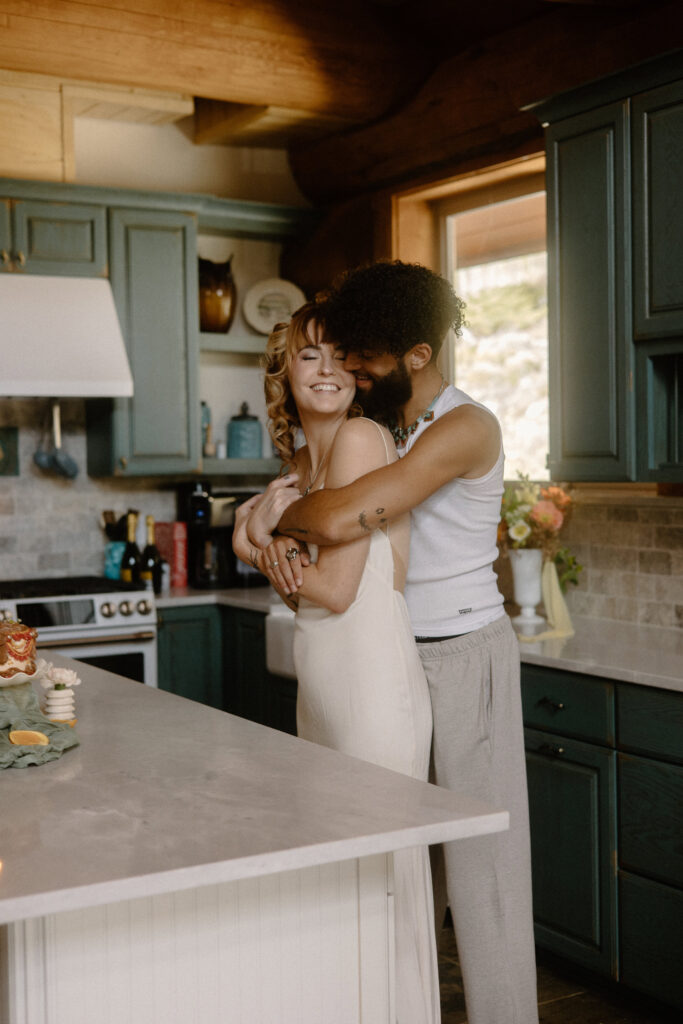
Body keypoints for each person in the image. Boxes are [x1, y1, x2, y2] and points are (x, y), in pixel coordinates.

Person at [246, 261, 539, 1024]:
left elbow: (340, 519)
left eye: (362, 352)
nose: (348, 365)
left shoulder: (464, 426)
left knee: (484, 867)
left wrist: (265, 523)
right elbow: (326, 507)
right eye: (333, 353)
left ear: (413, 352)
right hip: (402, 651)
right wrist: (275, 515)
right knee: (409, 857)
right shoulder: (384, 424)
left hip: (465, 648)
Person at [232, 301, 442, 1024]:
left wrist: (255, 544)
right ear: (283, 373)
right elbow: (305, 599)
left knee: (381, 878)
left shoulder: (358, 439)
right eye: (306, 356)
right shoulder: (298, 465)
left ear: (357, 373)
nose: (325, 370)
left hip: (373, 688)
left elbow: (334, 591)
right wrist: (272, 550)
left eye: (336, 356)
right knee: (338, 879)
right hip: (322, 687)